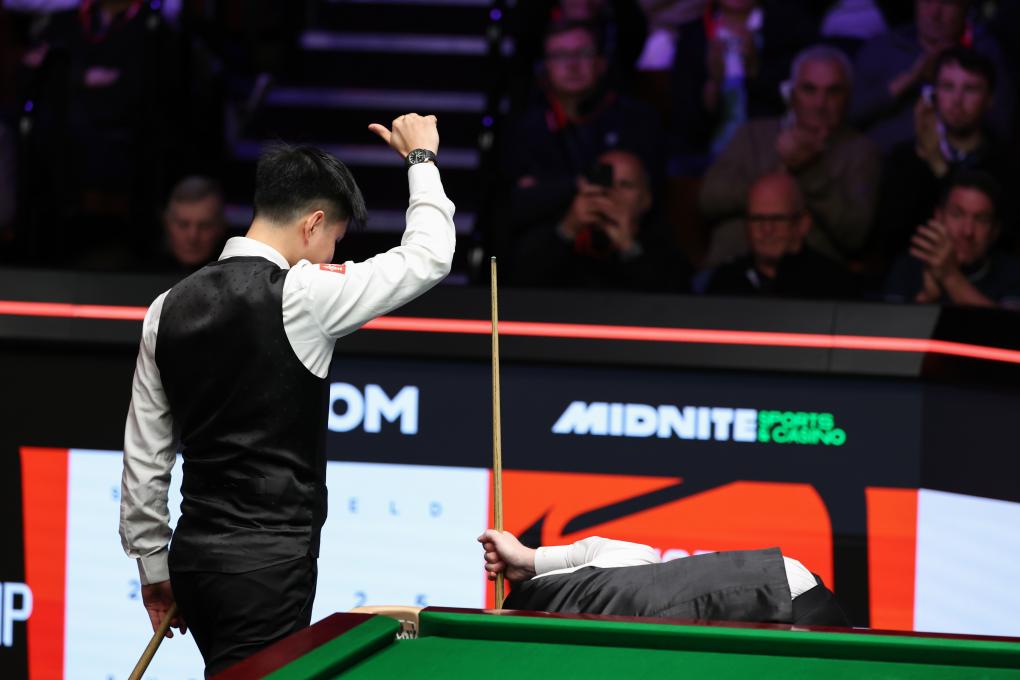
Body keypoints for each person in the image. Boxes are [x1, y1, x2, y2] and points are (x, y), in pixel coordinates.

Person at [119, 114, 455, 676]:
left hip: (195, 563)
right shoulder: (304, 294)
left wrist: (153, 566)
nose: (329, 254)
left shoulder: (165, 306)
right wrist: (421, 160)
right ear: (313, 222)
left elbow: (145, 455)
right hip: (268, 568)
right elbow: (428, 257)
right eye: (332, 241)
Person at [699, 45, 880, 266]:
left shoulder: (861, 151)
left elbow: (854, 234)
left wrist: (810, 171)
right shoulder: (752, 134)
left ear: (849, 98)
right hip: (731, 266)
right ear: (792, 95)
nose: (820, 103)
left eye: (833, 92)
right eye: (809, 89)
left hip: (810, 276)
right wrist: (777, 176)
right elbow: (709, 199)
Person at [498, 20, 663, 252]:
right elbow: (517, 205)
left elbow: (644, 197)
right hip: (548, 247)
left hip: (623, 240)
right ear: (546, 67)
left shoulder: (638, 121)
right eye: (560, 55)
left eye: (583, 53)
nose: (572, 65)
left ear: (601, 63)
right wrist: (578, 186)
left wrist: (549, 189)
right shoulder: (525, 128)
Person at [478, 530, 849, 626]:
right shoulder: (565, 586)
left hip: (775, 600)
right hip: (779, 588)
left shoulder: (553, 603)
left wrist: (529, 562)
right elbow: (638, 553)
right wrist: (530, 559)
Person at [875, 47, 1016, 260]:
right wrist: (925, 160)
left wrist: (939, 166)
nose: (957, 100)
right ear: (933, 95)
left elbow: (1005, 242)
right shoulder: (905, 157)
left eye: (970, 89)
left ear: (990, 99)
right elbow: (889, 240)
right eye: (948, 87)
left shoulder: (1007, 163)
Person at [670, 0, 818, 174]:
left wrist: (755, 71)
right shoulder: (693, 36)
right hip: (709, 155)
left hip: (772, 151)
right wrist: (714, 83)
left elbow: (798, 104)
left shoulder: (790, 27)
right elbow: (685, 124)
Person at [512, 149, 689, 291]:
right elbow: (519, 287)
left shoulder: (664, 247)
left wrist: (628, 247)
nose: (612, 192)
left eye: (625, 185)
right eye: (604, 182)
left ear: (646, 199)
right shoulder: (555, 235)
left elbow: (672, 305)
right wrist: (568, 229)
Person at [851, 0, 1015, 153]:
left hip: (966, 164)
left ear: (965, 9)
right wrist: (911, 78)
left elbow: (1002, 125)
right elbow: (852, 115)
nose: (935, 13)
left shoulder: (985, 50)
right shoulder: (882, 47)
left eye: (947, 3)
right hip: (886, 161)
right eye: (927, 1)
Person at [703, 172, 857, 298]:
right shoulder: (726, 282)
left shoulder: (833, 284)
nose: (767, 229)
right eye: (757, 219)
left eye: (777, 219)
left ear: (803, 224)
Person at [884, 169, 1020, 308]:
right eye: (957, 215)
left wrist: (949, 275)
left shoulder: (1013, 273)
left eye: (981, 219)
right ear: (938, 217)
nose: (968, 231)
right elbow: (889, 321)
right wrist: (925, 300)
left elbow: (1009, 322)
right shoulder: (908, 268)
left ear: (995, 230)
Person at [151, 176, 228, 273]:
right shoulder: (143, 272)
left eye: (204, 226)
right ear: (167, 224)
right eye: (183, 225)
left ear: (221, 227)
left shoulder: (238, 273)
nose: (193, 237)